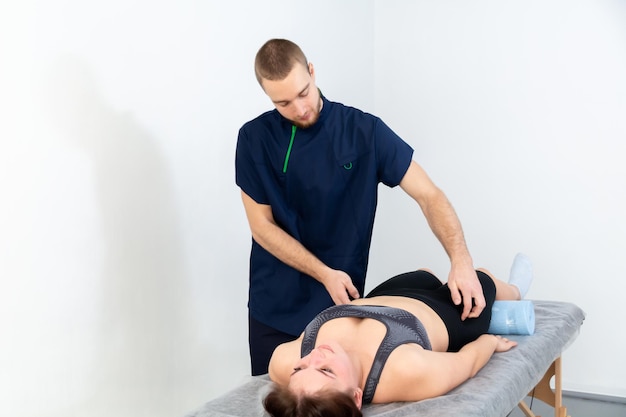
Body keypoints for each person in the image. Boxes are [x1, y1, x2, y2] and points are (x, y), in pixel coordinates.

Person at [236, 38, 485, 376]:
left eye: (304, 93)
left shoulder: (363, 131)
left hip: (339, 309)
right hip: (273, 308)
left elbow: (429, 195)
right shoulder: (254, 139)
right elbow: (261, 227)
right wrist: (324, 273)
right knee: (275, 402)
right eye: (283, 103)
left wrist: (461, 260)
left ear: (312, 71)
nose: (299, 109)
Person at [263, 254, 534, 416]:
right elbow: (468, 363)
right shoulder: (405, 371)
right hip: (445, 314)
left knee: (424, 273)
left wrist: (305, 370)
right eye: (326, 370)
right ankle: (516, 288)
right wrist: (490, 340)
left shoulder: (282, 362)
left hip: (382, 298)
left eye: (301, 367)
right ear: (356, 397)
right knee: (481, 276)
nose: (315, 355)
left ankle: (427, 278)